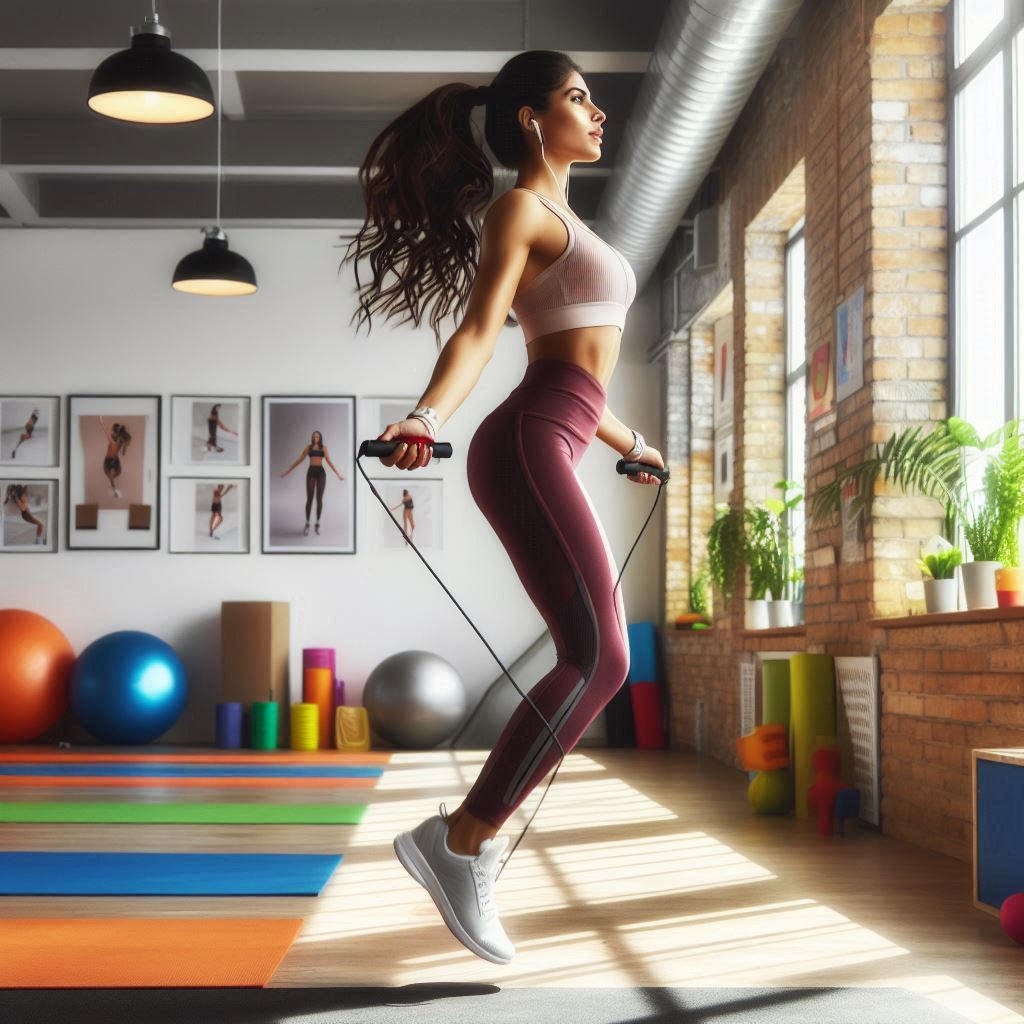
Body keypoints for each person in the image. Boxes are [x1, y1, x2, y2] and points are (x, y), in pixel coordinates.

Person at [340, 50, 665, 965]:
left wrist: (632, 445)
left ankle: (462, 842)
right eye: (577, 98)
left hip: (556, 432)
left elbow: (577, 376)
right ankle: (458, 842)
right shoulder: (520, 208)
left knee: (594, 656)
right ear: (531, 118)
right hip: (525, 442)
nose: (598, 112)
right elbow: (482, 330)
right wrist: (426, 413)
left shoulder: (565, 219)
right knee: (601, 657)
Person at [279, 430, 345, 535]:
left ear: (320, 438)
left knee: (319, 499)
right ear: (312, 438)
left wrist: (338, 474)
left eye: (317, 437)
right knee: (309, 499)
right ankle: (307, 523)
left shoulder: (323, 448)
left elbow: (329, 461)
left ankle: (317, 524)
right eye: (314, 437)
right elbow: (299, 460)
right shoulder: (308, 448)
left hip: (321, 473)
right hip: (311, 472)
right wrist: (288, 470)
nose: (315, 438)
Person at [98, 416, 131, 498]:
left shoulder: (113, 442)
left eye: (112, 432)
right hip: (113, 461)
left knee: (112, 476)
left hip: (112, 461)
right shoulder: (119, 443)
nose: (111, 433)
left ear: (115, 434)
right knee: (111, 476)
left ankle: (114, 490)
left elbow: (105, 430)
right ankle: (114, 490)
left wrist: (101, 421)